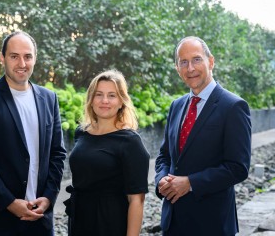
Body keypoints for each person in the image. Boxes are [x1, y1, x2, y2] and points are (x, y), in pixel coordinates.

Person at [0, 31, 67, 236]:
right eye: (14, 56)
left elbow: (57, 153)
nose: (22, 63)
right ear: (2, 58)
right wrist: (8, 202)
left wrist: (48, 197)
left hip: (40, 219)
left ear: (35, 59)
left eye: (27, 56)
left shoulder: (49, 98)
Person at [155, 36, 252, 236]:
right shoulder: (177, 105)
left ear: (211, 61)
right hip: (173, 223)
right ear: (177, 68)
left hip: (212, 225)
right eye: (183, 62)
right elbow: (165, 155)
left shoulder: (233, 107)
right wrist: (161, 180)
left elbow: (238, 167)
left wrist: (190, 183)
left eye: (196, 59)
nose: (190, 68)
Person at [64, 70, 150, 236]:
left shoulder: (130, 141)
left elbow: (136, 200)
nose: (104, 101)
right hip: (79, 219)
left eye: (112, 95)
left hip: (110, 222)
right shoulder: (81, 132)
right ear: (91, 99)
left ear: (121, 102)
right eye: (99, 94)